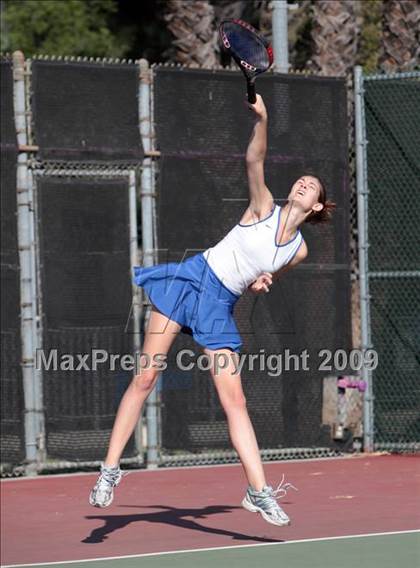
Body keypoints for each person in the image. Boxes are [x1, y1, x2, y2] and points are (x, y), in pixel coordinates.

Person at [89, 94, 336, 527]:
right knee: (146, 376)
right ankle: (110, 471)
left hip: (220, 304)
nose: (302, 184)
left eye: (311, 185)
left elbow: (268, 273)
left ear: (315, 205)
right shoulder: (263, 206)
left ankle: (258, 491)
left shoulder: (299, 250)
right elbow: (253, 160)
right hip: (191, 281)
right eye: (300, 179)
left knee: (234, 400)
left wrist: (263, 281)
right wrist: (263, 120)